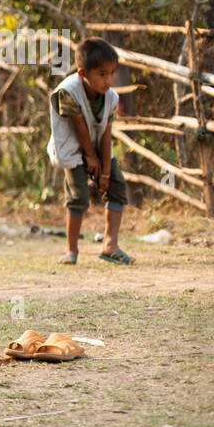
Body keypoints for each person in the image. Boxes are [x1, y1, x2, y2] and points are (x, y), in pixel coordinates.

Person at [47, 38, 132, 265]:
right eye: (102, 74)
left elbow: (106, 132)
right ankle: (71, 249)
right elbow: (79, 126)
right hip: (73, 148)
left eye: (112, 73)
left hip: (97, 146)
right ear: (83, 73)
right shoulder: (68, 91)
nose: (109, 80)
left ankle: (110, 245)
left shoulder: (111, 97)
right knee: (78, 196)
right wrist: (91, 157)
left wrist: (104, 171)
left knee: (117, 185)